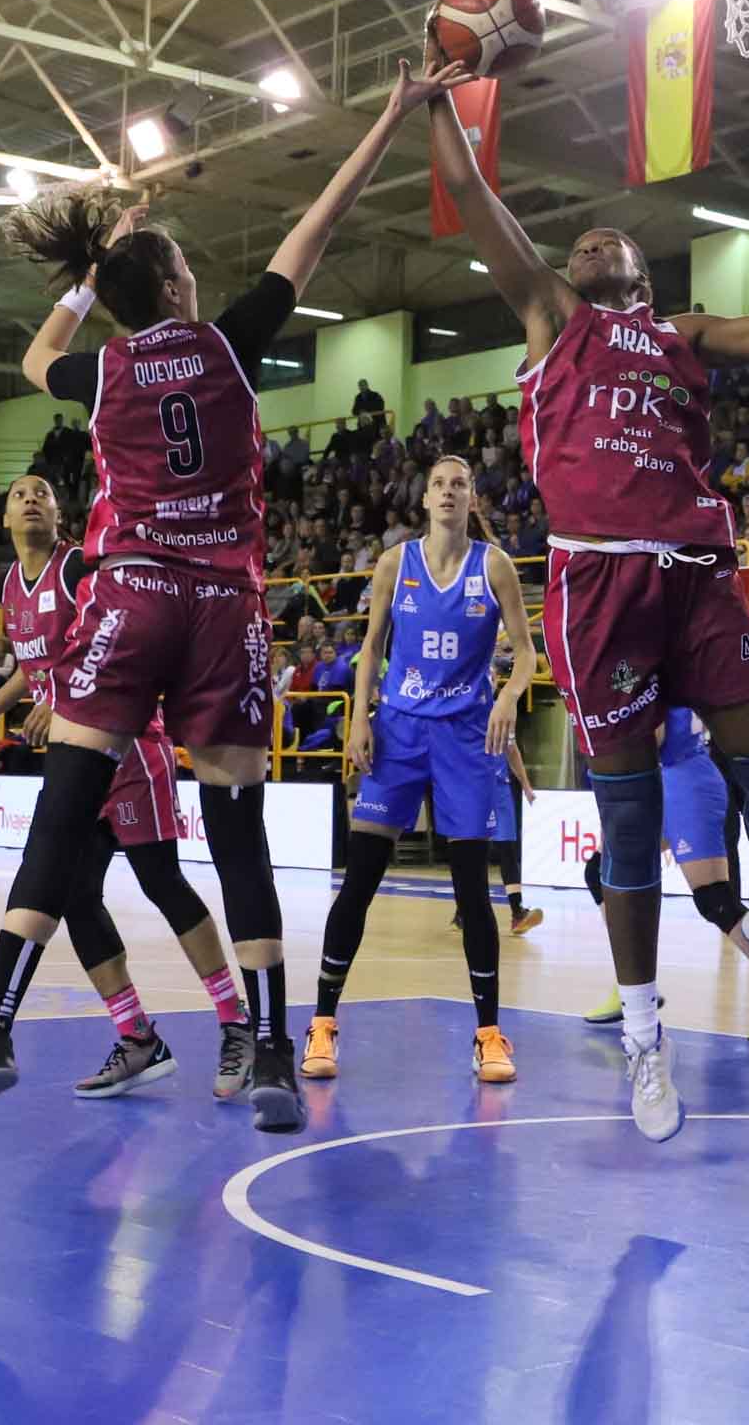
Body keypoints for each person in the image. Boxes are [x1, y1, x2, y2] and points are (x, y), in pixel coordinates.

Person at [0, 63, 431, 1132]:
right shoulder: (227, 343)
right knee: (237, 834)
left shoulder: (102, 370)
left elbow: (35, 354)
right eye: (188, 270)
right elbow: (315, 227)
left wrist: (92, 267)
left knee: (61, 822)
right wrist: (389, 113)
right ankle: (268, 1061)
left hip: (127, 597)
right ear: (173, 288)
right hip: (220, 610)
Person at [430, 82, 749, 1141]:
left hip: (696, 572)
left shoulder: (685, 334)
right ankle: (644, 1032)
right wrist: (436, 93)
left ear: (642, 269)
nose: (590, 243)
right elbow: (467, 186)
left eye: (609, 238)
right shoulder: (554, 320)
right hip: (599, 586)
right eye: (578, 241)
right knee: (627, 825)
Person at [0, 473, 253, 1102]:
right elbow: (32, 664)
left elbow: (119, 643)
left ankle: (237, 1023)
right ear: (4, 519)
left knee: (160, 880)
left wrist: (62, 697)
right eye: (20, 494)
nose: (32, 499)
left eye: (43, 491)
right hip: (73, 758)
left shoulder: (79, 570)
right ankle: (138, 1036)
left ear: (61, 513)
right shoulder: (12, 587)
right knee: (71, 893)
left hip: (126, 745)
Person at [304, 457, 540, 1087]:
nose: (447, 492)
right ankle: (323, 1020)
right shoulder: (393, 563)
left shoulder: (494, 566)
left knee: (472, 893)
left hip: (464, 739)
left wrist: (510, 696)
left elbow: (526, 651)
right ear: (426, 497)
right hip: (399, 733)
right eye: (438, 483)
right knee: (360, 880)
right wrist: (359, 719)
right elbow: (372, 647)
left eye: (459, 484)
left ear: (470, 499)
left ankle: (489, 1034)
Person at [575, 708, 749, 1046]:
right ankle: (631, 985)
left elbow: (653, 736)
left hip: (682, 784)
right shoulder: (657, 664)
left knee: (715, 899)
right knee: (601, 871)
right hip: (671, 780)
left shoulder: (647, 666)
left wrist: (607, 757)